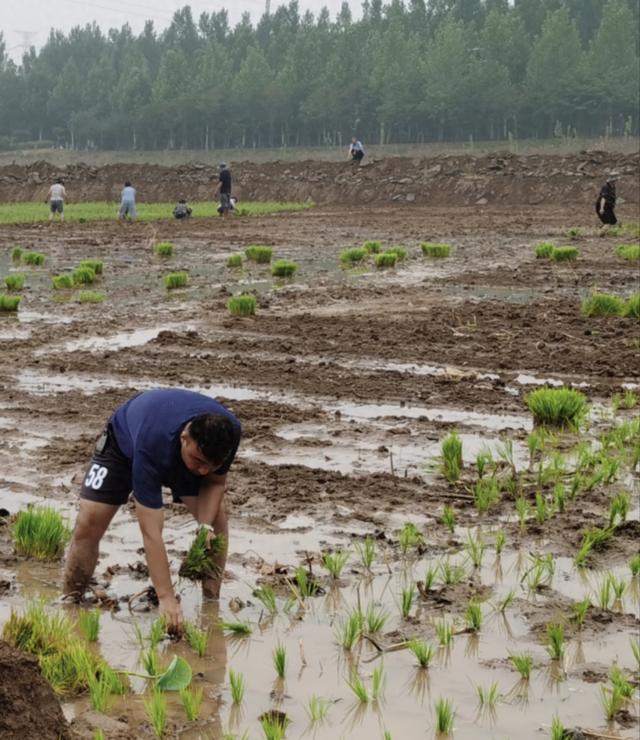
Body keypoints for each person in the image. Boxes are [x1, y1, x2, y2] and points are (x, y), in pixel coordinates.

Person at [63, 388, 242, 634]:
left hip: (178, 457)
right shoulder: (152, 444)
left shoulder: (229, 433)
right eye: (199, 462)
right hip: (123, 446)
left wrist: (204, 526)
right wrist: (167, 597)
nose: (203, 471)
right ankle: (70, 602)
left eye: (211, 465)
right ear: (184, 437)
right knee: (89, 522)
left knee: (217, 524)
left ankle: (211, 604)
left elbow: (214, 482)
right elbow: (151, 532)